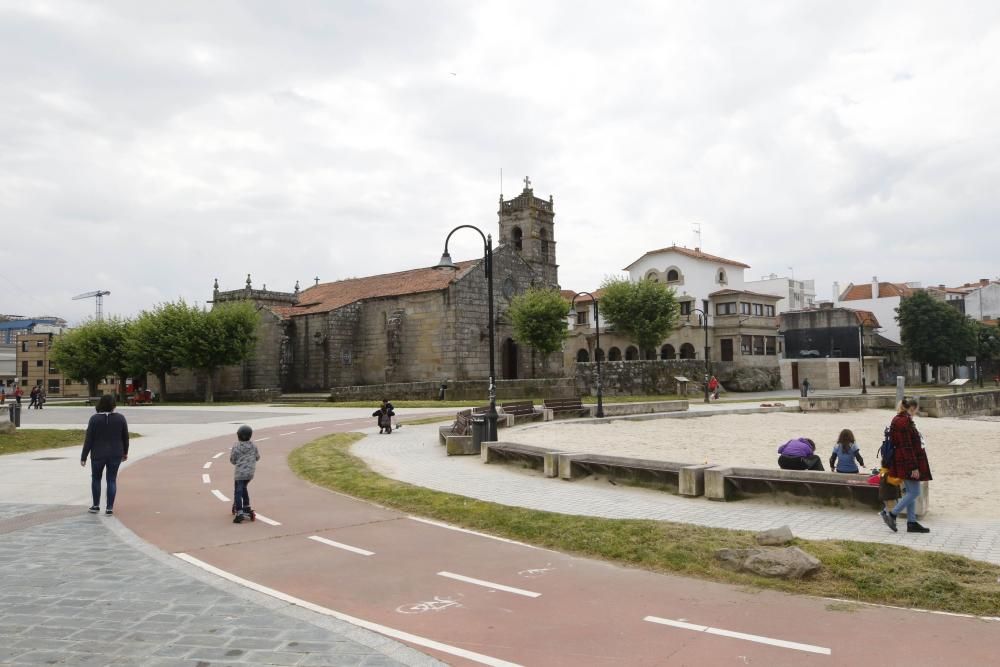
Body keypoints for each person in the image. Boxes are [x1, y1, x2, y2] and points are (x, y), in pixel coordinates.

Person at [881, 397, 932, 534]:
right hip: (906, 461)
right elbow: (907, 446)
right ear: (913, 408)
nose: (916, 412)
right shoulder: (905, 422)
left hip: (901, 460)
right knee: (915, 492)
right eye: (916, 409)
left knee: (910, 492)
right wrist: (913, 467)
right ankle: (892, 514)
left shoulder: (898, 419)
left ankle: (911, 522)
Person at [80, 395, 130, 516]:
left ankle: (96, 505)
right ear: (114, 405)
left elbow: (89, 439)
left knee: (96, 478)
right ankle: (109, 508)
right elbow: (125, 437)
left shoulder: (94, 419)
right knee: (111, 480)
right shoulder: (121, 418)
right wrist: (125, 452)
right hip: (115, 453)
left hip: (98, 453)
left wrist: (84, 456)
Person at [230, 424, 260, 523]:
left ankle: (239, 511)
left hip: (239, 474)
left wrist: (237, 462)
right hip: (250, 473)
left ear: (239, 435)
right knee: (243, 488)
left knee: (238, 491)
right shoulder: (253, 446)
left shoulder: (236, 446)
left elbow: (233, 460)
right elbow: (257, 457)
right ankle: (246, 506)